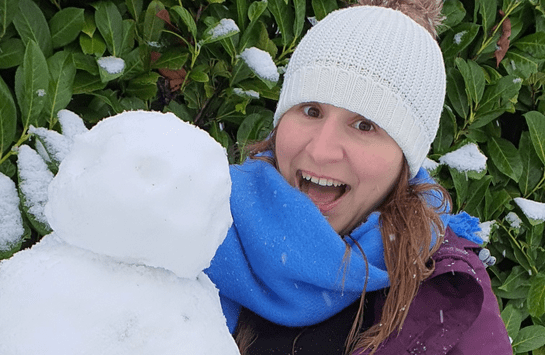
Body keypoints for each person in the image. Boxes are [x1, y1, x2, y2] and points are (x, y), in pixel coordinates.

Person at [204, 1, 512, 354]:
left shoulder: (449, 291)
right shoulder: (199, 225)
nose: (321, 151)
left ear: (404, 159)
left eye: (364, 125)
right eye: (311, 110)